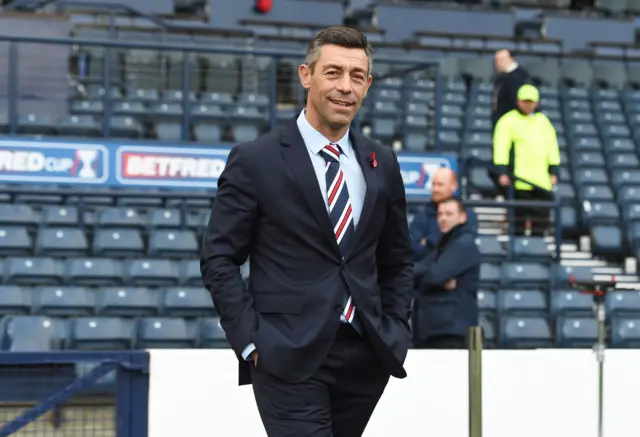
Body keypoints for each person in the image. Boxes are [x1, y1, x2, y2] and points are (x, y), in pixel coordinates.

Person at [200, 27, 413, 437]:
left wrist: (395, 329)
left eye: (356, 76)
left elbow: (397, 258)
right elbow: (219, 258)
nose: (345, 87)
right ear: (306, 75)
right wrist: (250, 343)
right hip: (285, 355)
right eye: (333, 72)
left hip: (366, 355)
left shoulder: (381, 161)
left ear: (368, 85)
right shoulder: (255, 160)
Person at [412, 197, 481, 349]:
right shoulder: (443, 245)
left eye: (449, 214)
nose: (443, 218)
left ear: (462, 217)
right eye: (440, 214)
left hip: (450, 331)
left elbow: (434, 276)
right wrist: (430, 275)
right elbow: (417, 274)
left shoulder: (464, 244)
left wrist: (427, 276)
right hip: (433, 329)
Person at [493, 84, 560, 236]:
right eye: (525, 101)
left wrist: (553, 170)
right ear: (518, 101)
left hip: (541, 183)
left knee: (540, 223)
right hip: (519, 181)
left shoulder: (543, 121)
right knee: (518, 222)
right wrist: (502, 171)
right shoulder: (508, 121)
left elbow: (552, 147)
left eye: (531, 101)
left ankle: (538, 250)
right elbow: (501, 147)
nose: (528, 105)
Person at [409, 167, 477, 262]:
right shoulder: (422, 215)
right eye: (433, 184)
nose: (435, 189)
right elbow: (413, 249)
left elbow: (462, 248)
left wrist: (427, 241)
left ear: (454, 186)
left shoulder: (467, 214)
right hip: (424, 272)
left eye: (440, 185)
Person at [491, 49, 530, 129]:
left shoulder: (519, 76)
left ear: (511, 59)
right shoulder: (500, 78)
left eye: (502, 60)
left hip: (513, 125)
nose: (498, 63)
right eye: (496, 60)